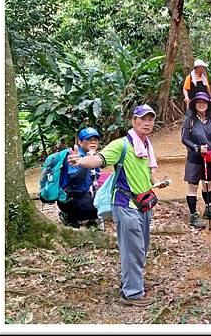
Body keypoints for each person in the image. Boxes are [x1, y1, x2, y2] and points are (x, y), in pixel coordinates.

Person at [68, 104, 169, 308]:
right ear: (134, 121)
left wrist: (157, 182)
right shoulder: (121, 145)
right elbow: (99, 160)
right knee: (133, 248)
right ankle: (132, 293)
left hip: (143, 204)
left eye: (151, 119)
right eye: (143, 118)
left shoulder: (146, 145)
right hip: (125, 204)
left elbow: (148, 174)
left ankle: (134, 281)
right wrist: (81, 161)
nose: (147, 123)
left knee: (141, 247)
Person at [181, 92, 211, 229]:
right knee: (193, 186)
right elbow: (184, 139)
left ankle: (208, 209)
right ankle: (194, 215)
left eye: (204, 102)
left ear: (208, 104)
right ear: (194, 104)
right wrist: (196, 148)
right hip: (195, 158)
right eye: (198, 102)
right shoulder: (190, 120)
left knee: (207, 184)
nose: (201, 104)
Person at [58, 127, 101, 228]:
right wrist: (87, 161)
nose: (93, 142)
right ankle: (69, 216)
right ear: (80, 142)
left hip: (83, 194)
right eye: (89, 140)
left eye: (95, 140)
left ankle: (88, 217)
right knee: (94, 210)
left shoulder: (94, 156)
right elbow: (75, 178)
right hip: (70, 196)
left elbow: (96, 178)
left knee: (103, 207)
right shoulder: (73, 155)